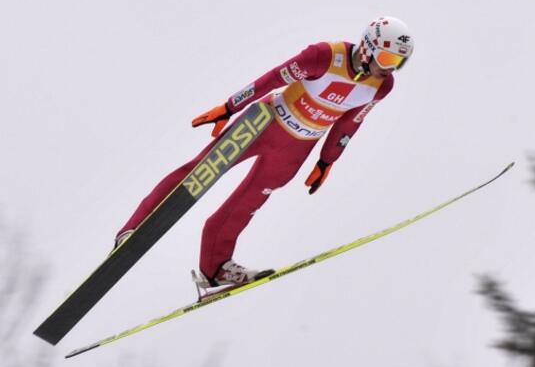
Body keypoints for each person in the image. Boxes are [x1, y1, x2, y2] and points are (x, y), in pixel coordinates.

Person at [114, 16, 414, 292]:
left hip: (298, 145)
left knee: (249, 202)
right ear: (368, 47)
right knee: (200, 171)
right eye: (387, 58)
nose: (389, 68)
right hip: (265, 121)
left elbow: (350, 123)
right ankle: (133, 229)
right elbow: (272, 79)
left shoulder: (381, 86)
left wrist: (326, 161)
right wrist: (229, 107)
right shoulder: (325, 55)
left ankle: (215, 268)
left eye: (398, 62)